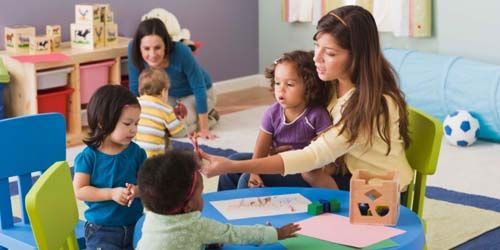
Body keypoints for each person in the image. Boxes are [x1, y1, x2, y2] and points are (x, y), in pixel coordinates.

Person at [202, 5, 414, 192]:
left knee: (245, 175)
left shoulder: (373, 105)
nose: (317, 58)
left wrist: (238, 167)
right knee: (236, 165)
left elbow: (314, 156)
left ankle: (246, 235)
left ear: (356, 57)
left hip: (372, 190)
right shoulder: (331, 85)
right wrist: (248, 161)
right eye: (317, 46)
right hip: (339, 170)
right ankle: (222, 234)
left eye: (329, 53)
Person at [218, 50, 339, 191]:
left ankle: (244, 211)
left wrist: (253, 174)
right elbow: (261, 148)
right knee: (232, 163)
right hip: (276, 160)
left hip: (302, 169)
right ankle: (219, 209)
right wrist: (254, 171)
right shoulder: (272, 113)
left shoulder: (316, 115)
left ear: (309, 86)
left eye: (290, 84)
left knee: (246, 179)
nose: (281, 90)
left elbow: (329, 153)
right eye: (277, 83)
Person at [136, 150, 301, 250]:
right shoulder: (196, 226)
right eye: (200, 193)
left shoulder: (152, 216)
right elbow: (235, 234)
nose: (202, 197)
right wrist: (275, 233)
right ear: (187, 207)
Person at [73, 85, 147, 250]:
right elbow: (80, 190)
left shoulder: (137, 153)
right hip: (101, 231)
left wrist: (136, 190)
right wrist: (111, 193)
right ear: (103, 122)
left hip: (137, 226)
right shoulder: (88, 156)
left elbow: (149, 186)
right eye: (127, 123)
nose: (134, 129)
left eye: (137, 123)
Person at [129, 18, 218, 139]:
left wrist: (204, 129)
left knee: (175, 126)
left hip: (198, 94)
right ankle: (197, 118)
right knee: (156, 123)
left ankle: (210, 117)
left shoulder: (182, 52)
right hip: (168, 96)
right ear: (139, 47)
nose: (152, 54)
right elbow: (135, 88)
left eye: (157, 48)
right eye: (146, 48)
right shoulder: (133, 50)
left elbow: (199, 87)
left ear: (166, 44)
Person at [134, 68, 188, 157]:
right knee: (166, 137)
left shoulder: (135, 103)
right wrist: (182, 121)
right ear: (163, 92)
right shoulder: (166, 109)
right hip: (154, 159)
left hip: (133, 155)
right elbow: (179, 134)